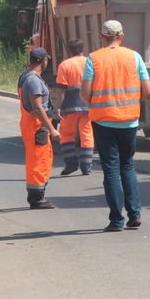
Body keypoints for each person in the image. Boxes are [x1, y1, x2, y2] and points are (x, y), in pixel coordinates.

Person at [80, 20, 150, 232]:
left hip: (103, 121)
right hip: (129, 120)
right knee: (127, 166)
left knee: (111, 169)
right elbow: (147, 90)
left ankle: (116, 220)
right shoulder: (134, 57)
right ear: (121, 36)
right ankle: (135, 214)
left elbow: (85, 93)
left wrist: (97, 102)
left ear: (102, 37)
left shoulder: (93, 58)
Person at [18, 47, 59, 209]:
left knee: (42, 158)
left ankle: (38, 195)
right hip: (36, 126)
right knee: (38, 160)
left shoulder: (26, 76)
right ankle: (36, 198)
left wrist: (54, 115)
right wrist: (52, 128)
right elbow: (37, 107)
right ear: (44, 61)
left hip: (33, 125)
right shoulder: (34, 80)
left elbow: (40, 105)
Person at [53, 38, 94, 176]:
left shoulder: (65, 65)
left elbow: (61, 90)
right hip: (88, 105)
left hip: (70, 106)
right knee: (86, 133)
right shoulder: (90, 62)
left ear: (70, 51)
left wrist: (58, 107)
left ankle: (71, 164)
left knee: (66, 134)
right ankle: (86, 166)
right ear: (83, 49)